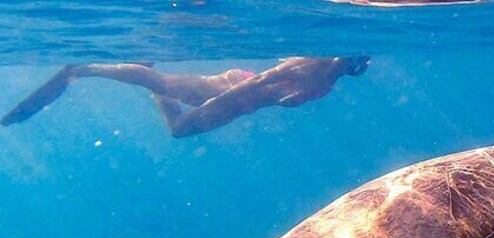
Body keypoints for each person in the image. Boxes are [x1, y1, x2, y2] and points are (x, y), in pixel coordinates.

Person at [1, 55, 371, 137]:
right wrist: (222, 101)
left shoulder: (326, 82)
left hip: (238, 103)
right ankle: (80, 70)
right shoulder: (312, 67)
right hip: (230, 91)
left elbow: (270, 96)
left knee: (176, 126)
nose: (356, 65)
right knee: (163, 85)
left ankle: (140, 69)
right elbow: (262, 83)